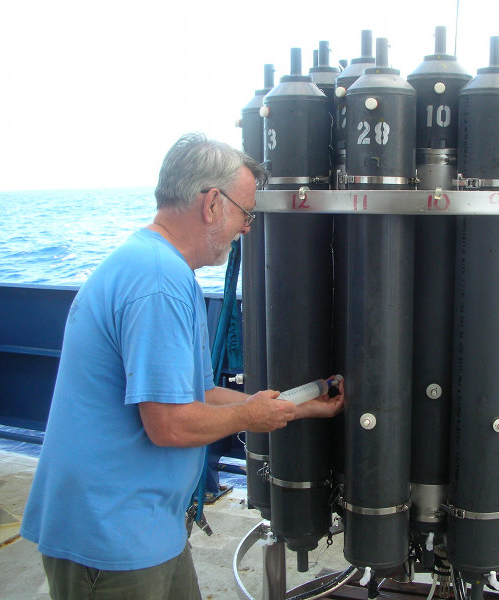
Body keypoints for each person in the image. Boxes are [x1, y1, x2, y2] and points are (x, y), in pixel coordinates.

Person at [20, 132, 344, 599]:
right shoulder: (159, 281)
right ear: (212, 203)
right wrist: (250, 418)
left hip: (149, 525)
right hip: (109, 538)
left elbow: (197, 393)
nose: (248, 228)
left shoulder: (158, 266)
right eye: (246, 213)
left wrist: (299, 408)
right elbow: (169, 425)